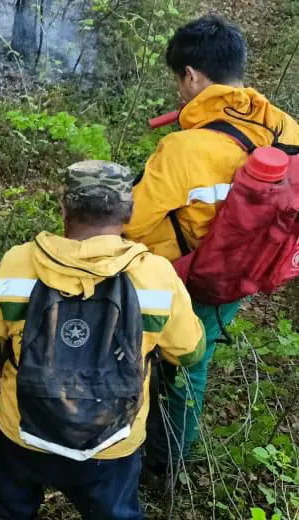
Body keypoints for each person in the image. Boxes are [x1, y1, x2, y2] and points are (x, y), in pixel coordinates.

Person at [0, 161, 205, 519]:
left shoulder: (18, 263)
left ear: (64, 208)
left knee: (10, 511)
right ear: (128, 212)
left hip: (22, 429)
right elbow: (190, 353)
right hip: (113, 441)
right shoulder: (157, 275)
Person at [123, 15, 299, 475]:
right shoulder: (288, 132)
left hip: (186, 276)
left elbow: (130, 224)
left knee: (173, 363)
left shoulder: (184, 149)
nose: (179, 92)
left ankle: (161, 459)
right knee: (196, 359)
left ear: (192, 75)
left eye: (179, 81)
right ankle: (173, 452)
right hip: (250, 271)